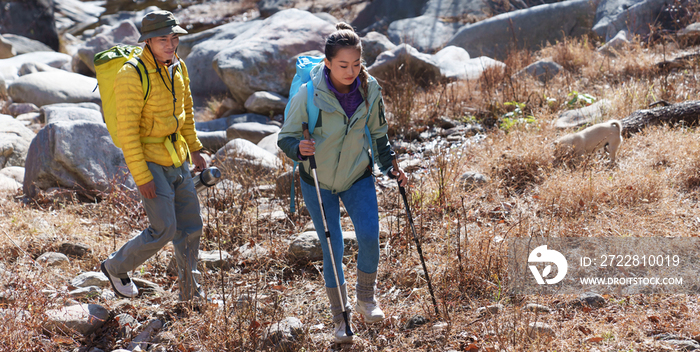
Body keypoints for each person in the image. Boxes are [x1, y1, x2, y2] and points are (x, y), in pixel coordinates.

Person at [278, 22, 408, 344]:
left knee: (368, 234)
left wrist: (391, 167)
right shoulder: (308, 93)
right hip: (317, 180)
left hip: (356, 174)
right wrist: (299, 148)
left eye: (356, 64)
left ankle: (366, 299)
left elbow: (379, 133)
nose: (351, 71)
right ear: (327, 64)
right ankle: (341, 320)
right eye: (342, 65)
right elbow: (286, 137)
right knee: (332, 247)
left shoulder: (370, 89)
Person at [100, 11, 207, 302]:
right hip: (149, 159)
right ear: (147, 41)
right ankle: (115, 266)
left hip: (178, 157)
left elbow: (186, 111)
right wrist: (142, 176)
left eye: (174, 38)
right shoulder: (131, 74)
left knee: (191, 226)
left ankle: (191, 296)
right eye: (163, 39)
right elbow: (128, 132)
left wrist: (195, 148)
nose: (171, 44)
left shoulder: (178, 67)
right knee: (164, 228)